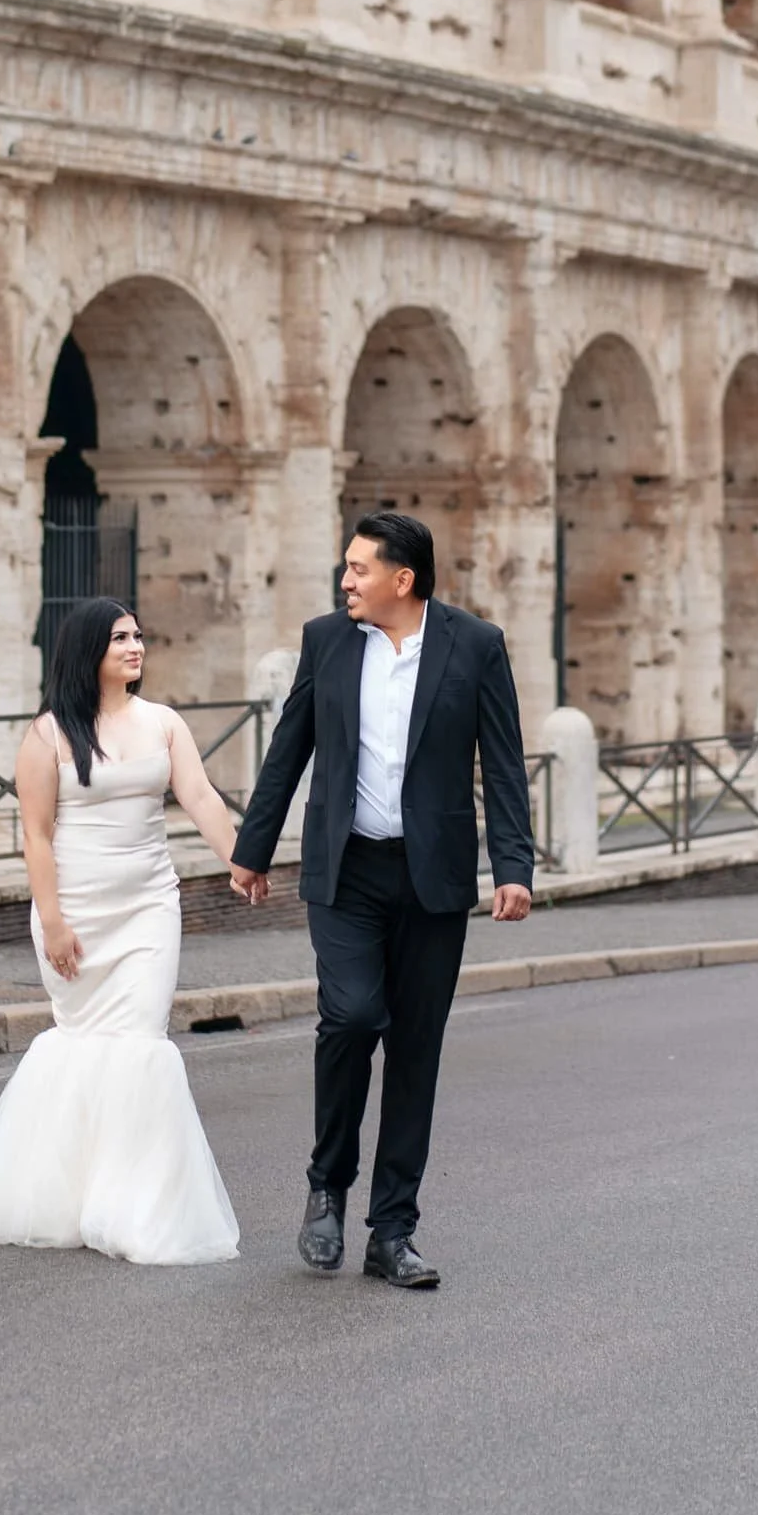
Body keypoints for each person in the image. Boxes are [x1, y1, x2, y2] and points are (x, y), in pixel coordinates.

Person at [230, 511, 535, 1291]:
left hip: (430, 880)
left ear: (403, 579)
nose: (345, 581)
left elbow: (500, 763)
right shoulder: (327, 641)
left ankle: (392, 1231)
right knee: (353, 1017)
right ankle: (326, 1187)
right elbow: (289, 744)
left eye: (358, 568)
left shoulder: (475, 645)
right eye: (345, 568)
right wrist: (253, 848)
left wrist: (512, 865)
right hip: (346, 873)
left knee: (415, 1053)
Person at [0, 598, 241, 1266]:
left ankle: (135, 1207)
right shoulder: (48, 736)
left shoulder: (164, 724)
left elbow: (200, 798)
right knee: (85, 1044)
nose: (135, 646)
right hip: (75, 909)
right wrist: (52, 921)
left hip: (148, 905)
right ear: (88, 651)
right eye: (120, 638)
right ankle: (66, 1197)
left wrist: (241, 860)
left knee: (141, 1042)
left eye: (138, 635)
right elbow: (35, 833)